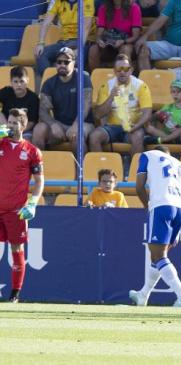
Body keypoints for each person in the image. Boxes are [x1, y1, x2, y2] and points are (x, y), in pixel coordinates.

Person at [129, 146, 181, 307]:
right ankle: (143, 295)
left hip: (162, 205)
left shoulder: (147, 155)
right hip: (180, 209)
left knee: (158, 256)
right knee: (158, 255)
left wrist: (147, 206)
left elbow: (139, 186)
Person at [0, 108, 44, 303]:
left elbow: (39, 180)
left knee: (16, 249)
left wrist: (33, 202)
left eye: (15, 123)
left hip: (16, 209)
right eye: (9, 122)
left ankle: (15, 294)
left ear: (23, 125)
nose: (11, 126)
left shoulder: (32, 151)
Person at [32, 47, 94, 155]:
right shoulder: (49, 83)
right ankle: (39, 167)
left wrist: (76, 124)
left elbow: (86, 103)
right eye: (59, 62)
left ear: (74, 63)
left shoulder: (83, 77)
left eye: (66, 62)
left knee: (77, 135)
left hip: (83, 123)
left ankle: (82, 170)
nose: (62, 65)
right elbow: (43, 111)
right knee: (39, 129)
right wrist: (52, 124)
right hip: (60, 124)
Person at [91, 54, 153, 156]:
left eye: (125, 69)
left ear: (131, 70)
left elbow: (147, 113)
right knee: (94, 136)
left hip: (133, 126)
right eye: (119, 69)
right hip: (112, 127)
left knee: (137, 137)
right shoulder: (106, 86)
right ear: (114, 71)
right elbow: (98, 114)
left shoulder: (141, 86)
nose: (122, 72)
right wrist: (111, 97)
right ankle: (102, 169)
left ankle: (134, 170)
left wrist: (136, 127)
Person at [34, 0, 95, 76]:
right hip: (63, 41)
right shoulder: (57, 1)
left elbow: (86, 26)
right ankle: (50, 81)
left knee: (73, 58)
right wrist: (41, 43)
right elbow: (46, 23)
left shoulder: (87, 1)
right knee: (41, 54)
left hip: (82, 41)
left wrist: (79, 48)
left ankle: (67, 84)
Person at [89, 0, 142, 70]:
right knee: (93, 49)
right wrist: (99, 40)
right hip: (109, 43)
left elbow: (135, 36)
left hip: (128, 42)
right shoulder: (103, 8)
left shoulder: (134, 8)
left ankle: (124, 77)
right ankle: (95, 77)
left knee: (125, 49)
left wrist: (123, 41)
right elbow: (99, 33)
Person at [145, 80, 181, 145]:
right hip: (166, 133)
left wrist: (178, 128)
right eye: (173, 92)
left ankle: (164, 140)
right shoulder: (168, 106)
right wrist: (158, 115)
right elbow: (154, 118)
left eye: (178, 92)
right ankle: (169, 139)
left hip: (180, 135)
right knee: (148, 127)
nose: (175, 94)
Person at [0, 66, 40, 140]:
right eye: (16, 82)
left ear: (27, 81)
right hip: (6, 129)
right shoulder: (6, 91)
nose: (19, 85)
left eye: (22, 81)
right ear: (11, 82)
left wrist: (16, 132)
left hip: (24, 131)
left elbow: (31, 122)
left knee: (25, 140)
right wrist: (5, 124)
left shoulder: (33, 98)